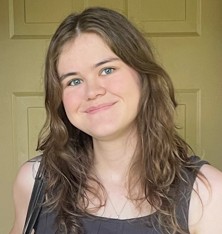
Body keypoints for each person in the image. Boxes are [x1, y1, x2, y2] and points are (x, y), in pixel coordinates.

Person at [10, 7, 222, 234]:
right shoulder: (34, 182)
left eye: (107, 70)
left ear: (143, 76)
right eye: (73, 81)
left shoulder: (208, 194)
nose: (92, 91)